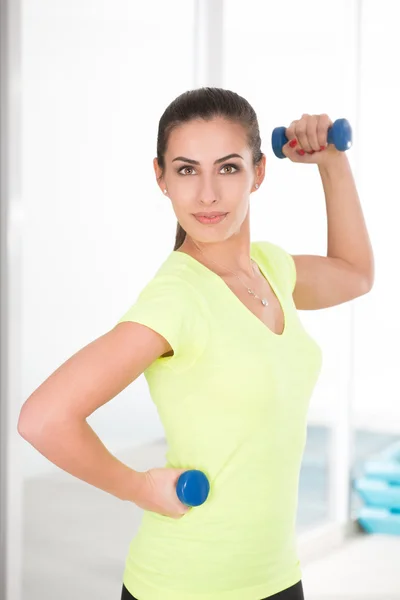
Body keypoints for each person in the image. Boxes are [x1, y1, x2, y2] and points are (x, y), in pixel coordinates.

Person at [18, 87, 374, 600]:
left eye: (228, 168)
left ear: (259, 172)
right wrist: (141, 488)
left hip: (276, 576)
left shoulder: (271, 269)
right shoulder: (177, 300)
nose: (207, 194)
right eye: (186, 170)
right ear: (161, 178)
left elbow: (355, 273)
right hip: (185, 585)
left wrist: (331, 162)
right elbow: (43, 418)